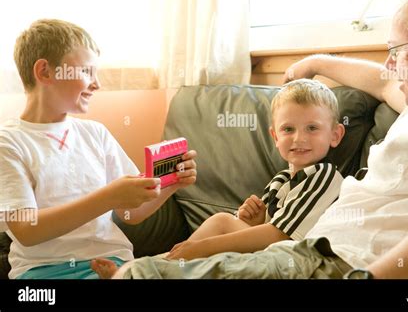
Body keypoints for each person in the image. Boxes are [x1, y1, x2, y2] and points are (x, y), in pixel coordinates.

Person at [107, 0, 408, 279]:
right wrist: (314, 62)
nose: (389, 64)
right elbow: (381, 83)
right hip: (312, 253)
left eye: (396, 50)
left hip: (334, 261)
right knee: (143, 271)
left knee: (141, 275)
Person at [0, 19, 197, 279]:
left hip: (114, 262)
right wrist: (108, 197)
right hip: (44, 272)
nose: (97, 84)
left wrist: (170, 184)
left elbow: (131, 214)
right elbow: (27, 229)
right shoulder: (10, 143)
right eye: (86, 72)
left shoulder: (95, 133)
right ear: (45, 72)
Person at [92, 79, 346, 278]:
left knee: (221, 224)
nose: (299, 138)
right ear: (275, 136)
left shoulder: (323, 176)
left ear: (335, 135)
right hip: (267, 252)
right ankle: (144, 269)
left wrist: (203, 247)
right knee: (208, 241)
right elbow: (266, 227)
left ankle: (149, 270)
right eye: (288, 129)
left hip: (293, 257)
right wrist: (256, 219)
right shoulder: (282, 178)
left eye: (312, 128)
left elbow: (281, 235)